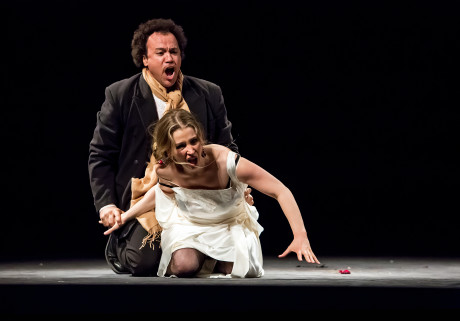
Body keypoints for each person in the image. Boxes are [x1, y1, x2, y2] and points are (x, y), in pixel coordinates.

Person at [88, 18, 248, 276]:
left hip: (198, 197)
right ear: (145, 59)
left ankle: (195, 252)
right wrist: (106, 205)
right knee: (144, 263)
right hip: (145, 200)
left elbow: (227, 148)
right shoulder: (120, 95)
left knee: (233, 263)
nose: (169, 58)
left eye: (173, 52)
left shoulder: (208, 93)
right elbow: (100, 155)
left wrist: (240, 187)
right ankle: (126, 243)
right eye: (160, 53)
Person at [104, 109, 320, 278]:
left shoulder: (225, 161)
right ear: (168, 150)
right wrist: (126, 216)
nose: (190, 150)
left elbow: (280, 190)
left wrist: (300, 235)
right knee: (184, 266)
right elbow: (159, 194)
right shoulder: (165, 169)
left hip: (229, 223)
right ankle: (196, 256)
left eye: (194, 141)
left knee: (242, 269)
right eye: (181, 146)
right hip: (191, 225)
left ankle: (211, 258)